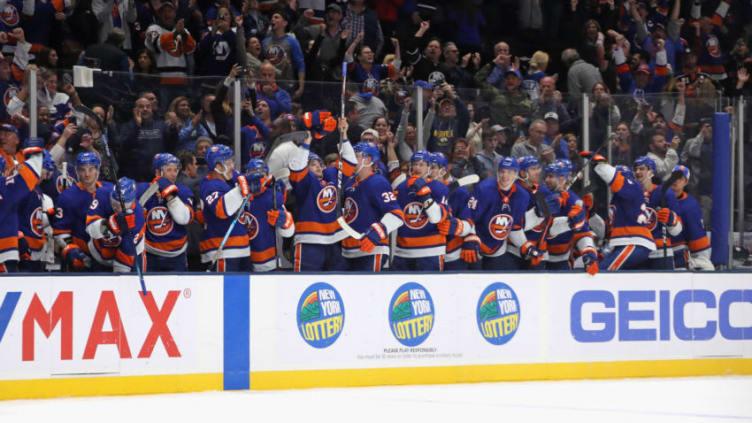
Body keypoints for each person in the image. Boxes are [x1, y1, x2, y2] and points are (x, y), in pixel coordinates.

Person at [288, 121, 356, 271]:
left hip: (334, 241)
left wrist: (343, 135)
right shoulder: (304, 182)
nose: (318, 166)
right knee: (304, 285)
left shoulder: (330, 176)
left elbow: (350, 162)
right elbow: (296, 168)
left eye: (319, 163)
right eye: (313, 164)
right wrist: (305, 145)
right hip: (309, 241)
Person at [459, 157, 543, 270]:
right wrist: (470, 236)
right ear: (498, 172)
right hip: (476, 244)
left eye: (509, 172)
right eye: (502, 171)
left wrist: (525, 245)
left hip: (498, 249)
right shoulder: (484, 188)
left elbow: (514, 227)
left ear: (516, 174)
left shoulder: (522, 196)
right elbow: (468, 216)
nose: (504, 176)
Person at [579, 150, 655, 270]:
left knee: (603, 271)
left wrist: (601, 164)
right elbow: (607, 232)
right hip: (623, 243)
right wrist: (591, 213)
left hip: (635, 243)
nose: (610, 184)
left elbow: (614, 178)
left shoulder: (633, 187)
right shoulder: (618, 199)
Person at [341, 142, 403, 271]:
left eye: (356, 156)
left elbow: (397, 215)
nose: (352, 160)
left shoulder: (378, 182)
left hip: (373, 250)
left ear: (368, 159)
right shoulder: (350, 183)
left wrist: (377, 233)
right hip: (348, 251)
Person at [392, 151, 455, 271]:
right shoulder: (401, 188)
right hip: (403, 252)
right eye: (415, 164)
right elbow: (395, 217)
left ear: (429, 168)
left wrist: (424, 193)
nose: (417, 168)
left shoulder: (440, 188)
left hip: (431, 252)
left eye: (422, 165)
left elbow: (436, 217)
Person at [53, 152, 114, 272]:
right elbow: (61, 231)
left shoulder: (111, 190)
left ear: (97, 170)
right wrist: (71, 249)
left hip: (109, 255)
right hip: (83, 257)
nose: (87, 174)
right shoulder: (67, 197)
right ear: (77, 171)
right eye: (82, 170)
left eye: (91, 169)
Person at [137, 153, 194, 272]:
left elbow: (184, 219)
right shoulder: (142, 190)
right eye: (169, 170)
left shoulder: (183, 191)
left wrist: (170, 196)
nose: (173, 174)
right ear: (158, 172)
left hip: (177, 255)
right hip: (150, 253)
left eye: (175, 170)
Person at [199, 144, 251, 272]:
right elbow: (221, 210)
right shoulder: (209, 185)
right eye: (228, 163)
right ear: (218, 166)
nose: (232, 166)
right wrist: (241, 188)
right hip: (222, 250)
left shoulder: (231, 180)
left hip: (242, 248)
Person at [0, 138, 44, 273]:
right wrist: (36, 154)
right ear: (4, 172)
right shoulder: (5, 187)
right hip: (4, 255)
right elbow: (30, 174)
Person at [85, 177, 147, 272]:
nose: (117, 208)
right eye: (115, 203)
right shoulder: (102, 194)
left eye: (122, 205)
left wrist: (118, 281)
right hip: (99, 253)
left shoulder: (137, 217)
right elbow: (90, 229)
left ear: (132, 202)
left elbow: (124, 261)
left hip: (132, 255)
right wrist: (108, 225)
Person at [242, 159, 294, 272]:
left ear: (267, 177)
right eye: (253, 173)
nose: (257, 178)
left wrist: (283, 220)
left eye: (261, 174)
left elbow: (289, 232)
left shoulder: (273, 196)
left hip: (268, 262)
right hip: (240, 260)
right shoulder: (238, 194)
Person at [633, 156, 682, 270]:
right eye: (635, 169)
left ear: (651, 172)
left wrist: (671, 219)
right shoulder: (631, 194)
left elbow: (677, 231)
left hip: (660, 254)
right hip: (636, 252)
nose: (637, 172)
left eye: (642, 169)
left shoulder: (665, 193)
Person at [669, 165, 713, 271]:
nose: (676, 181)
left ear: (686, 182)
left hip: (679, 253)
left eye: (681, 179)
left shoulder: (690, 205)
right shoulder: (658, 196)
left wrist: (701, 257)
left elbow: (696, 233)